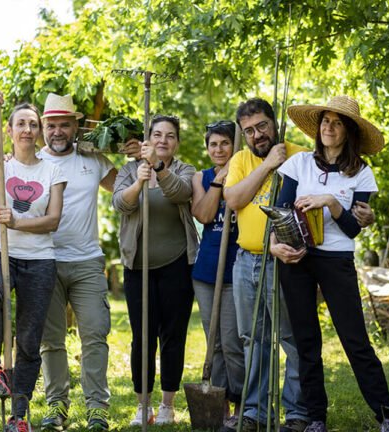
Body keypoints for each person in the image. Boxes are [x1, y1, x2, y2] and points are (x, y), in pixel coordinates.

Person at [272, 96, 389, 432]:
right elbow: (282, 213)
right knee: (306, 340)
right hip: (296, 258)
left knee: (354, 339)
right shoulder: (298, 165)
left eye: (337, 122)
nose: (329, 126)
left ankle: (387, 415)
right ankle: (316, 418)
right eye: (325, 120)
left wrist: (330, 201)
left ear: (349, 131)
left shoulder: (362, 174)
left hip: (336, 259)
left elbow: (354, 228)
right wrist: (276, 247)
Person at [37, 94, 140, 431]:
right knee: (51, 339)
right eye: (50, 125)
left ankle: (97, 407)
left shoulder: (93, 160)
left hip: (87, 261)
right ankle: (57, 407)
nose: (57, 131)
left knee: (95, 333)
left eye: (64, 124)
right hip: (44, 261)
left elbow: (123, 193)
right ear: (43, 127)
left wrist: (135, 158)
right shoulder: (32, 162)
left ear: (75, 126)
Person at [0, 93, 67, 432]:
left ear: (39, 131)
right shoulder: (1, 167)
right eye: (21, 124)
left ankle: (20, 415)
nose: (27, 129)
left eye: (33, 124)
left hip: (39, 259)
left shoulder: (52, 171)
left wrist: (16, 222)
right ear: (10, 130)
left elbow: (53, 220)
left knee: (29, 341)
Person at [221, 97, 310, 432]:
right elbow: (234, 200)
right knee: (252, 338)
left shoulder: (300, 155)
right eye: (249, 131)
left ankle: (298, 413)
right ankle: (257, 412)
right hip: (246, 261)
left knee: (292, 337)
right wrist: (268, 164)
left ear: (274, 124)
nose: (257, 134)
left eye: (262, 126)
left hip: (287, 261)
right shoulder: (242, 159)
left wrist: (281, 162)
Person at [112, 115, 198, 426]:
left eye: (170, 136)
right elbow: (121, 204)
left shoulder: (185, 170)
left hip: (176, 265)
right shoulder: (129, 170)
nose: (163, 140)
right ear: (148, 138)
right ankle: (142, 405)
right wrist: (139, 179)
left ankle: (167, 405)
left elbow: (181, 193)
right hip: (139, 267)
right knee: (142, 338)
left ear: (177, 142)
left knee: (172, 336)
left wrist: (158, 169)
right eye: (157, 134)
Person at [190, 120, 244, 429]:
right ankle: (219, 405)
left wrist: (232, 178)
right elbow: (205, 215)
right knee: (216, 344)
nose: (219, 149)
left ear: (234, 147)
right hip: (207, 270)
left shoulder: (248, 172)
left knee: (234, 341)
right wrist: (218, 183)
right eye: (214, 144)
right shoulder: (202, 177)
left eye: (225, 143)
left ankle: (242, 404)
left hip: (237, 269)